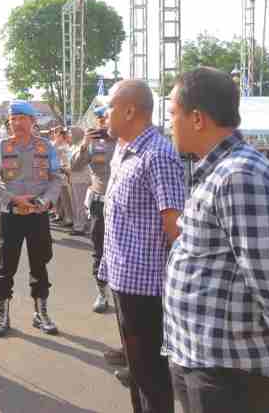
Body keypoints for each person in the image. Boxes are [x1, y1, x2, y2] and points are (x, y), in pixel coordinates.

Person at [165, 67, 269, 413]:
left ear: (197, 119)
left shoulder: (239, 175)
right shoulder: (217, 169)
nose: (169, 124)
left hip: (230, 370)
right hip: (205, 356)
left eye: (172, 114)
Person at [100, 79, 184, 413]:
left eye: (110, 107)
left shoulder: (157, 155)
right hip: (124, 280)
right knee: (137, 373)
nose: (105, 115)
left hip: (147, 289)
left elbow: (175, 227)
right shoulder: (125, 149)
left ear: (130, 110)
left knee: (152, 378)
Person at [0, 101, 63, 337]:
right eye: (13, 119)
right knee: (5, 266)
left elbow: (56, 178)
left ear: (32, 122)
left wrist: (45, 201)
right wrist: (14, 199)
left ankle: (41, 313)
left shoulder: (46, 147)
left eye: (22, 119)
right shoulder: (0, 147)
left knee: (39, 265)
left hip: (37, 216)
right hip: (12, 215)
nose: (17, 123)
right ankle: (2, 313)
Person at [71, 106, 118, 312]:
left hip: (123, 205)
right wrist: (84, 144)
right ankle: (101, 292)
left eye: (105, 119)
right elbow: (74, 166)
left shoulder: (125, 141)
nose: (102, 124)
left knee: (123, 250)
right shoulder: (92, 144)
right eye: (99, 120)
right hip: (100, 202)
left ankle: (123, 292)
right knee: (99, 249)